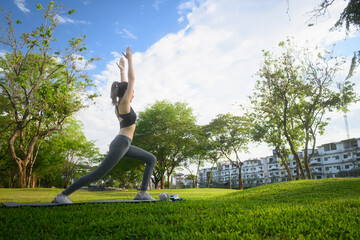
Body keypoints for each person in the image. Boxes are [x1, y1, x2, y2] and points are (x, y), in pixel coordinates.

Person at [52, 46, 157, 203]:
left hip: (125, 144)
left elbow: (124, 83)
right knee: (98, 174)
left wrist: (122, 69)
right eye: (131, 91)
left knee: (151, 159)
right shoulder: (123, 104)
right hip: (121, 143)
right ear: (127, 93)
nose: (133, 93)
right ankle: (62, 196)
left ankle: (142, 193)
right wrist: (130, 61)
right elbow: (131, 80)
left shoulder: (120, 103)